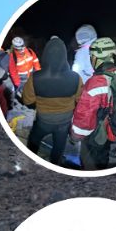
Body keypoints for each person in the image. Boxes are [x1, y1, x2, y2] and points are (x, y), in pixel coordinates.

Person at [69, 37, 116, 170]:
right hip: (112, 126)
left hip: (97, 134)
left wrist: (75, 135)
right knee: (103, 156)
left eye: (91, 56)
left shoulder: (96, 83)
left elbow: (85, 116)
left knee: (90, 161)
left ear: (96, 58)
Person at [21, 36, 84, 166]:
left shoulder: (35, 77)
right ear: (64, 55)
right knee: (59, 145)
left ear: (45, 55)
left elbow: (27, 101)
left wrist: (38, 103)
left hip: (43, 120)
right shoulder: (75, 78)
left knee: (34, 139)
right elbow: (80, 100)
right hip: (64, 121)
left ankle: (30, 160)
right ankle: (55, 163)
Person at [7, 36, 41, 100]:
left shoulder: (29, 51)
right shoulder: (13, 57)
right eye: (19, 49)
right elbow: (13, 72)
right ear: (15, 48)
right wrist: (17, 83)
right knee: (23, 93)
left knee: (35, 89)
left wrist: (38, 71)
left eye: (22, 47)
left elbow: (35, 61)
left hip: (32, 74)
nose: (21, 50)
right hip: (22, 78)